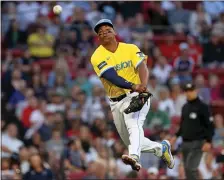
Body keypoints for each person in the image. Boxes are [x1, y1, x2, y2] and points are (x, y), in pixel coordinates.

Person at [90, 19, 174, 171]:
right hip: (116, 101)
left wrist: (142, 85)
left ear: (115, 32)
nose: (104, 33)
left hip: (136, 95)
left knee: (133, 123)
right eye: (100, 32)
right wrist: (133, 85)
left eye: (108, 30)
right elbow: (111, 76)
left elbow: (142, 66)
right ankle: (160, 148)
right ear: (98, 38)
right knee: (132, 140)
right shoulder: (97, 56)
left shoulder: (130, 48)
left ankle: (134, 157)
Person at [171, 82, 214, 180]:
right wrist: (175, 136)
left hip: (198, 142)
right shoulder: (185, 107)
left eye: (191, 91)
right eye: (186, 91)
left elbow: (210, 125)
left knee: (191, 167)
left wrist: (208, 141)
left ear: (196, 91)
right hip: (185, 142)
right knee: (187, 169)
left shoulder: (203, 107)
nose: (188, 93)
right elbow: (182, 125)